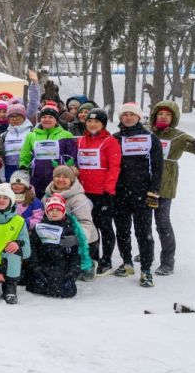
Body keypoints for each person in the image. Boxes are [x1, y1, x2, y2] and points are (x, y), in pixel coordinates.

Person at [148, 100, 195, 275]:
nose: (163, 117)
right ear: (155, 115)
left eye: (168, 114)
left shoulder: (179, 136)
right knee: (143, 222)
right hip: (144, 182)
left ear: (173, 118)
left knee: (162, 222)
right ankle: (146, 252)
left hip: (165, 183)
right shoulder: (145, 131)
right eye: (160, 113)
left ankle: (167, 260)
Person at [111, 102, 163, 287]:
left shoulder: (150, 138)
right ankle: (127, 263)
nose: (128, 117)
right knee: (123, 230)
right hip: (120, 192)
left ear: (139, 117)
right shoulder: (115, 138)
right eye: (124, 114)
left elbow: (158, 167)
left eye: (132, 114)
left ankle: (146, 270)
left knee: (144, 232)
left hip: (142, 192)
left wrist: (154, 190)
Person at [76, 108, 120, 274]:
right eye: (89, 121)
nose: (92, 124)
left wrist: (109, 189)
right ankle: (92, 258)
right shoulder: (81, 141)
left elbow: (114, 167)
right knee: (89, 226)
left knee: (105, 226)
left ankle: (106, 260)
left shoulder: (110, 141)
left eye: (96, 121)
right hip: (83, 192)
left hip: (102, 192)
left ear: (103, 124)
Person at [26, 196, 88, 298]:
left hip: (63, 267)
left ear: (63, 211)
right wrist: (35, 267)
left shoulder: (71, 229)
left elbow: (76, 255)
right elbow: (32, 248)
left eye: (58, 210)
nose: (54, 213)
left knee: (66, 289)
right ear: (46, 212)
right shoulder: (39, 227)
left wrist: (73, 272)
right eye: (51, 210)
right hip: (43, 265)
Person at [43, 165, 97, 280]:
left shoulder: (78, 198)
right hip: (59, 236)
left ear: (71, 180)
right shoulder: (47, 196)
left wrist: (79, 238)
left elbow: (86, 222)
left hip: (81, 238)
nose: (61, 179)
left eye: (65, 177)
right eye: (57, 176)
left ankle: (89, 263)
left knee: (75, 272)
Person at [18, 101, 76, 197]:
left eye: (51, 117)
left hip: (58, 178)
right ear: (40, 119)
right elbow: (25, 155)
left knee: (56, 206)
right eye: (44, 117)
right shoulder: (31, 136)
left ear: (56, 120)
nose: (47, 119)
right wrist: (23, 167)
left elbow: (71, 156)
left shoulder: (66, 135)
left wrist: (68, 169)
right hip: (37, 177)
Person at [2, 103, 33, 182]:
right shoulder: (4, 135)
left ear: (24, 117)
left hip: (28, 169)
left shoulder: (32, 132)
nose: (15, 119)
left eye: (18, 116)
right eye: (11, 116)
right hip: (9, 170)